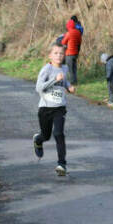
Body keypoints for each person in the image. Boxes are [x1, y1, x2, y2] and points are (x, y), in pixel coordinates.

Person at [33, 42, 76, 176]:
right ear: (50, 55)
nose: (59, 56)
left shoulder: (64, 68)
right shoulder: (46, 69)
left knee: (58, 133)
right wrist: (54, 80)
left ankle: (61, 164)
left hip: (59, 108)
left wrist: (69, 87)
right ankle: (38, 140)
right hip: (45, 108)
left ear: (64, 55)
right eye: (56, 53)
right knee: (46, 136)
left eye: (61, 53)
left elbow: (63, 81)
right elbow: (39, 88)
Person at [61, 19, 82, 85]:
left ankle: (72, 82)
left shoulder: (69, 33)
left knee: (70, 68)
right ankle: (75, 81)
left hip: (69, 53)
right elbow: (79, 42)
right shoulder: (78, 32)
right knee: (74, 67)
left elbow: (63, 42)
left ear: (68, 26)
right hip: (75, 53)